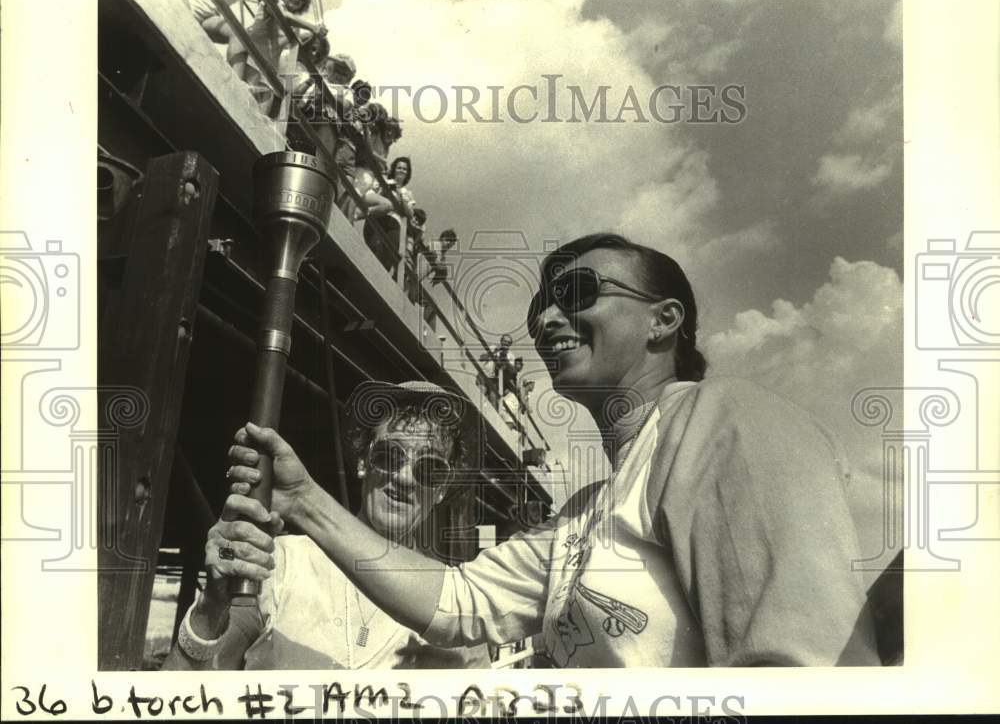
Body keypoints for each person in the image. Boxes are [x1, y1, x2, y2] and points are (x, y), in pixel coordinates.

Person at [221, 232, 881, 667]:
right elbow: (456, 602)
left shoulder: (728, 419)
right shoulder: (584, 517)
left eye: (578, 295)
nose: (544, 320)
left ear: (664, 321)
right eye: (541, 303)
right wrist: (304, 500)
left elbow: (799, 671)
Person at [161, 381, 491, 670]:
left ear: (442, 489)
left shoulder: (456, 606)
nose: (405, 477)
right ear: (363, 461)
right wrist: (210, 606)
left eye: (430, 469)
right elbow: (180, 696)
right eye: (389, 455)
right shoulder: (279, 564)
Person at [362, 156, 415, 273]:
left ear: (407, 173)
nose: (401, 170)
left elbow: (410, 214)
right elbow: (373, 195)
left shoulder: (407, 193)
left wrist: (401, 196)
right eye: (399, 167)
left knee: (389, 254)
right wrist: (385, 189)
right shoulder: (385, 181)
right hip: (379, 217)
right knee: (373, 248)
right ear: (394, 169)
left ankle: (380, 278)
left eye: (405, 169)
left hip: (394, 223)